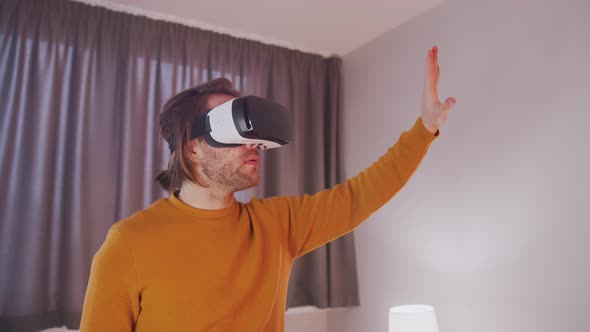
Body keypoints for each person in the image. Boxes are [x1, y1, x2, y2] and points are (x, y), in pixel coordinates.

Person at [80, 46, 456, 331]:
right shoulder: (129, 243)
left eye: (255, 136)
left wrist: (424, 128)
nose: (254, 145)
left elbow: (361, 195)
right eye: (234, 134)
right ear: (192, 148)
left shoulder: (277, 225)